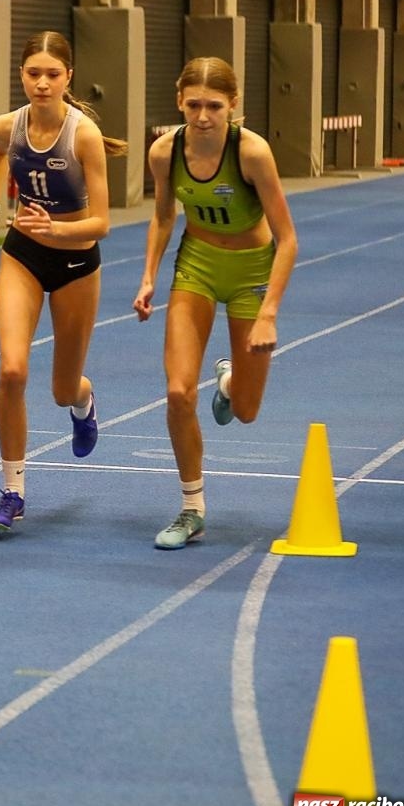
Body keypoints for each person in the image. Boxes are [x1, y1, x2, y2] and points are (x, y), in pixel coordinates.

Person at [134, 56, 298, 550]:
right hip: (197, 268)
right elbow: (164, 215)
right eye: (193, 105)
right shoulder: (165, 151)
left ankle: (229, 381)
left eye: (214, 106)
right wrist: (148, 277)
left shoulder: (251, 153)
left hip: (251, 273)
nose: (203, 116)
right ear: (179, 101)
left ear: (233, 105)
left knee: (245, 411)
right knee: (178, 392)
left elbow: (288, 239)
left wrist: (268, 313)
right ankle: (192, 508)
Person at [0, 32, 128, 534]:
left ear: (68, 78)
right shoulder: (8, 125)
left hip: (75, 262)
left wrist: (55, 230)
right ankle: (13, 490)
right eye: (32, 74)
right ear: (21, 75)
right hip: (23, 255)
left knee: (63, 388)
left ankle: (84, 402)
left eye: (52, 74)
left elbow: (101, 223)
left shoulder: (83, 136)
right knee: (11, 370)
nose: (41, 83)